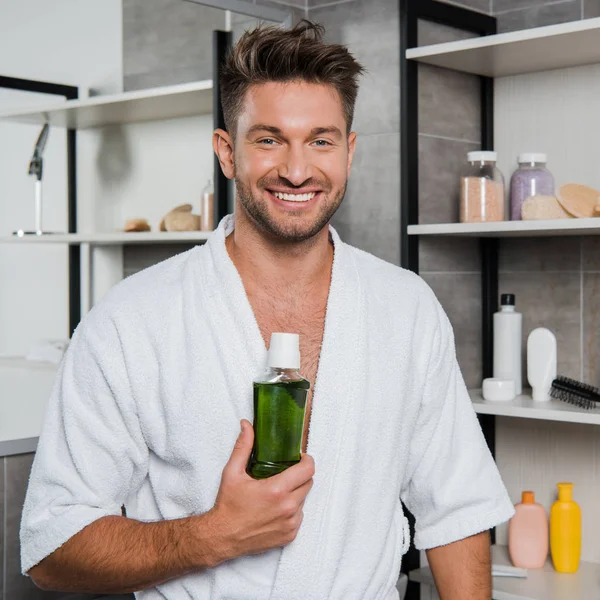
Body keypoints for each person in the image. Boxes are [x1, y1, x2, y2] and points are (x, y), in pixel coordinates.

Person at [21, 21, 514, 600]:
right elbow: (52, 545)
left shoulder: (406, 309)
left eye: (321, 141)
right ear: (227, 152)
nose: (298, 170)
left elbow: (455, 511)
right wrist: (212, 537)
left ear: (350, 152)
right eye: (269, 139)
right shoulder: (133, 321)